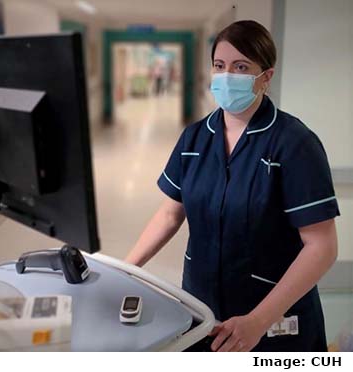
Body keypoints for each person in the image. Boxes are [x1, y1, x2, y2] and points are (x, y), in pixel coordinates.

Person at [125, 20, 340, 352]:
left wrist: (258, 320)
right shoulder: (194, 138)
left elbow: (321, 247)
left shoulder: (295, 144)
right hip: (202, 312)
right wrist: (125, 269)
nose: (226, 76)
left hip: (274, 323)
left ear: (265, 77)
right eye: (219, 66)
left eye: (241, 67)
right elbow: (170, 214)